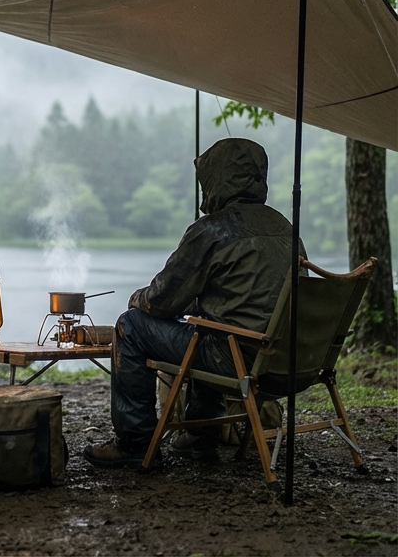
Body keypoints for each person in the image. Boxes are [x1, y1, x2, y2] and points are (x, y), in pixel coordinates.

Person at [83, 137, 302, 468]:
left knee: (131, 326)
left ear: (217, 180)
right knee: (208, 325)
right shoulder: (287, 229)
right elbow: (251, 301)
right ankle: (200, 434)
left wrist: (136, 298)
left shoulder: (213, 229)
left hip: (237, 360)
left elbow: (161, 300)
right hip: (288, 361)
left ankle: (135, 443)